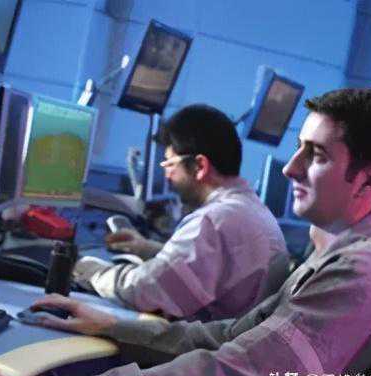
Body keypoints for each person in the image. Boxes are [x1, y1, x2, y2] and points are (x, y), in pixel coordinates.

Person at [0, 88, 371, 376]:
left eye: (315, 155)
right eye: (298, 149)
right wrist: (116, 327)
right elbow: (230, 337)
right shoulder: (341, 252)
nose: (290, 168)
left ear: (370, 180)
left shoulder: (361, 272)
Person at [74, 104, 289, 320]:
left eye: (169, 164)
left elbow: (144, 291)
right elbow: (209, 265)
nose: (167, 175)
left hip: (208, 339)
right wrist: (148, 249)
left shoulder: (214, 220)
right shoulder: (252, 209)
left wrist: (88, 270)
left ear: (199, 166)